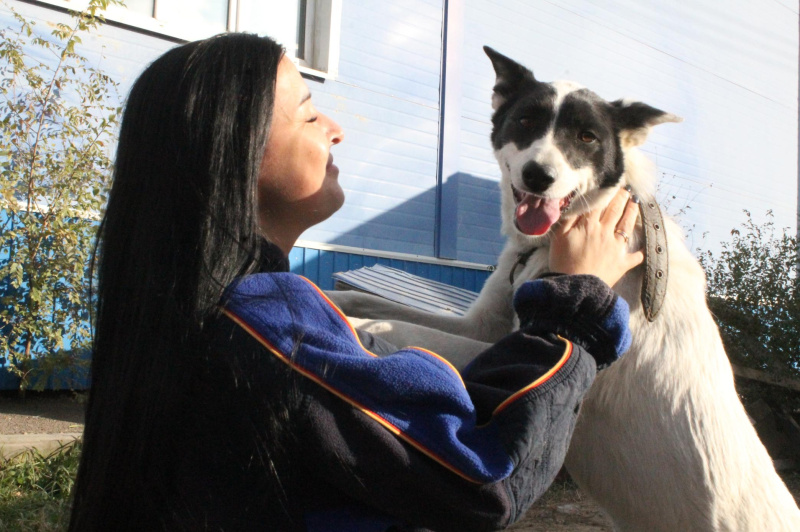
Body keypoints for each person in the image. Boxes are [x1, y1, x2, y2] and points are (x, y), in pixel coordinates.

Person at [69, 33, 643, 531]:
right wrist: (578, 301)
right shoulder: (272, 334)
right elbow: (482, 478)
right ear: (238, 149)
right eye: (309, 114)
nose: (336, 130)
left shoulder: (193, 307)